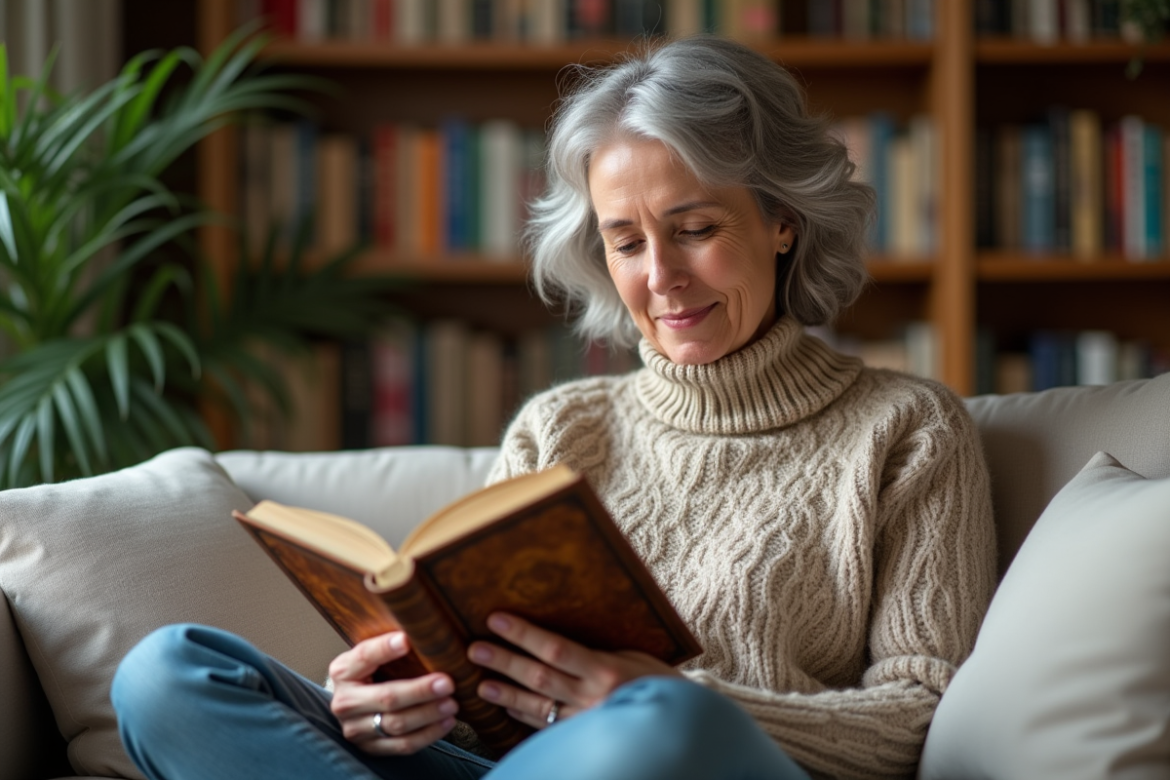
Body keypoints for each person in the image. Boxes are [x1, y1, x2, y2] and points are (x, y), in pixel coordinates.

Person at [112, 35, 997, 780]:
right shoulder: (561, 426)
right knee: (167, 673)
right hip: (512, 766)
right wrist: (390, 704)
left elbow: (918, 717)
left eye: (695, 229)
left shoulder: (905, 429)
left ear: (782, 220)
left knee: (662, 725)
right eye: (626, 241)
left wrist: (656, 696)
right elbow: (477, 696)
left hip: (691, 761)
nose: (661, 277)